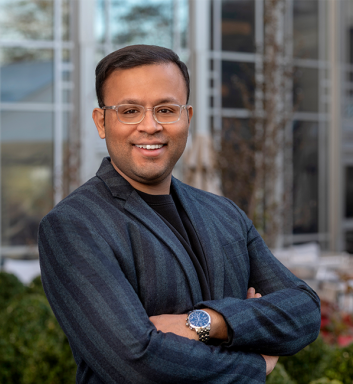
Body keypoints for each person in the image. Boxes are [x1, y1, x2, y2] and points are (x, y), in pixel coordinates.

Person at [38, 45, 321, 384]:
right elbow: (138, 361)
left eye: (166, 109)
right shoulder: (74, 225)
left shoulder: (224, 213)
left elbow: (305, 311)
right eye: (129, 111)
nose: (150, 126)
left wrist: (209, 323)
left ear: (186, 117)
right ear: (102, 121)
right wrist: (257, 363)